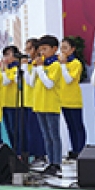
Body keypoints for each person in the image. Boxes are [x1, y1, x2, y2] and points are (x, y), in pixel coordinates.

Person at [31, 35, 62, 176]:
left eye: (45, 49)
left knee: (54, 135)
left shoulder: (55, 65)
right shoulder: (41, 66)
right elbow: (31, 82)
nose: (42, 52)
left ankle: (57, 163)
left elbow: (49, 84)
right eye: (40, 49)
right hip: (39, 104)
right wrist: (33, 68)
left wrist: (40, 69)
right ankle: (50, 162)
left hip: (51, 104)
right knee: (46, 136)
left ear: (54, 49)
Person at [59, 37, 86, 160]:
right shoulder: (59, 64)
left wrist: (63, 65)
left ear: (73, 49)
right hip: (63, 99)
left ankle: (80, 150)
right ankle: (74, 150)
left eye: (65, 48)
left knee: (77, 126)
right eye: (61, 48)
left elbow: (69, 79)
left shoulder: (76, 63)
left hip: (74, 100)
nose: (63, 51)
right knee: (70, 126)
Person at [21, 38, 46, 166]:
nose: (27, 52)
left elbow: (30, 82)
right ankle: (31, 155)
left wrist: (25, 66)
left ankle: (40, 156)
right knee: (29, 131)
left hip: (35, 101)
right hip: (26, 101)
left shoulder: (36, 64)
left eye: (29, 49)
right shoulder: (30, 64)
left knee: (37, 131)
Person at [1, 45, 20, 149]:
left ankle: (19, 152)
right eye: (4, 55)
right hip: (5, 103)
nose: (6, 57)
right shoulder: (6, 69)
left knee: (15, 130)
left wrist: (3, 70)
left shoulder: (16, 68)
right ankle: (14, 150)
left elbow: (6, 81)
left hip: (14, 104)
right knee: (9, 130)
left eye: (8, 54)